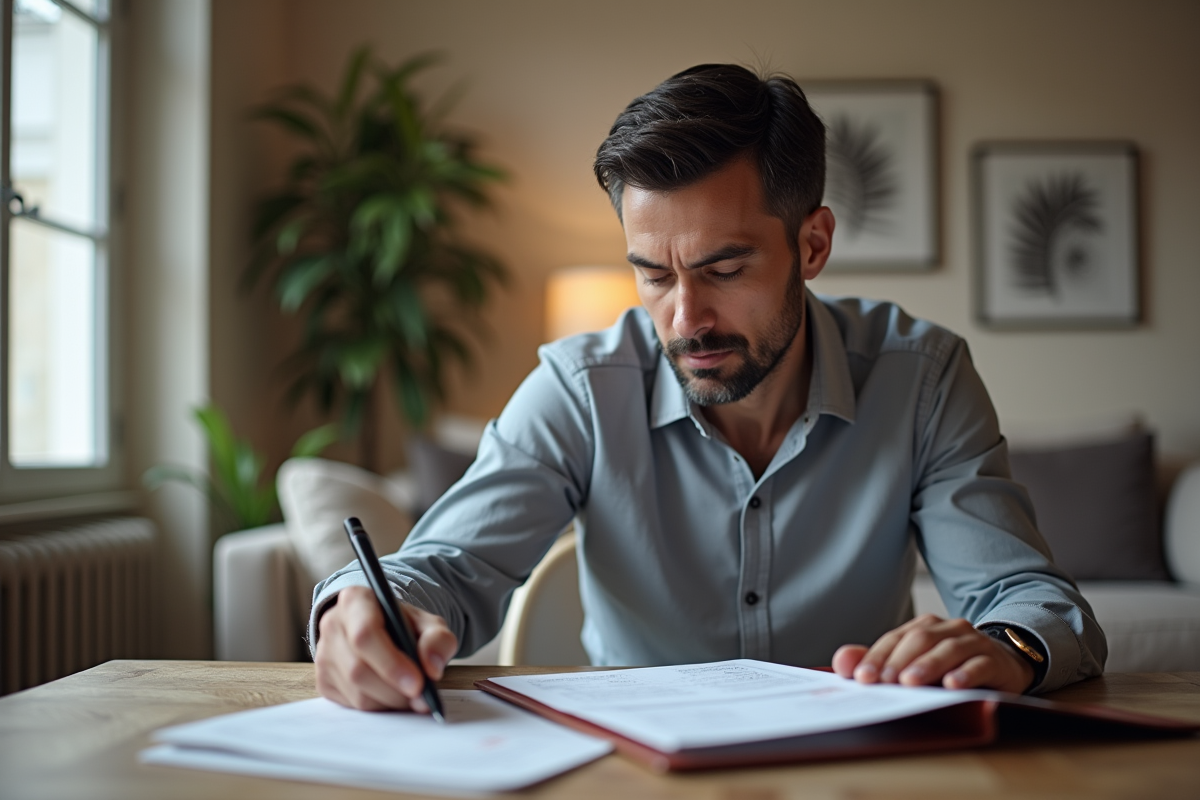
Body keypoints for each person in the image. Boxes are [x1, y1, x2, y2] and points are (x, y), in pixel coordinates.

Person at [310, 64, 1106, 712]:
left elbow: (1023, 595)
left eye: (724, 269)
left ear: (813, 243)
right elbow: (444, 565)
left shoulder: (923, 377)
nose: (686, 318)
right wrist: (362, 608)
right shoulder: (583, 387)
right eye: (652, 275)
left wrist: (1008, 648)